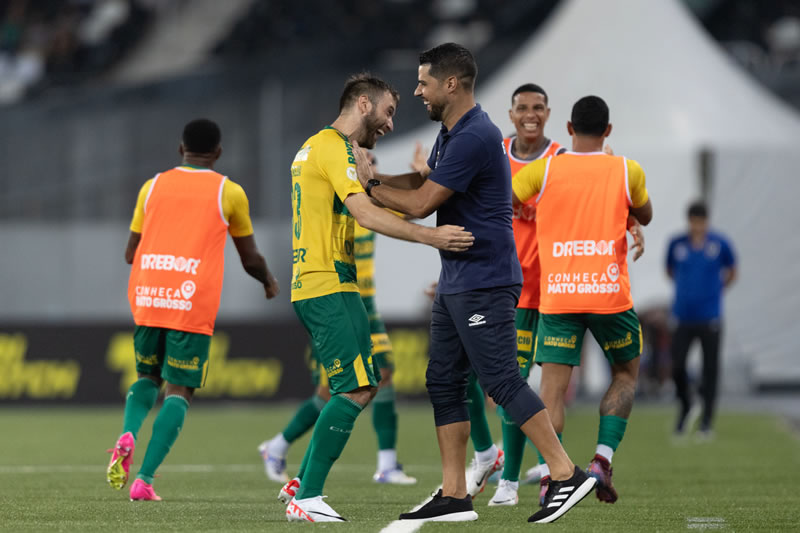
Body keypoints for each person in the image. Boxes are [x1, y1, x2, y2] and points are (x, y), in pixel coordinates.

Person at [354, 43, 595, 525]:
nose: (417, 90)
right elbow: (423, 181)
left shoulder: (474, 135)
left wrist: (365, 187)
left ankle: (566, 473)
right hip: (457, 278)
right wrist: (374, 177)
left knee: (502, 379)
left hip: (483, 278)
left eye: (423, 82)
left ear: (451, 84)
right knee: (442, 382)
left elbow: (422, 203)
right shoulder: (452, 132)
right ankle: (454, 494)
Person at [282, 73, 474, 523]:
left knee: (360, 384)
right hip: (324, 282)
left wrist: (428, 177)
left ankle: (301, 485)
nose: (389, 124)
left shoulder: (329, 149)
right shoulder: (331, 146)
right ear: (363, 104)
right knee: (357, 386)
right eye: (388, 112)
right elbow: (366, 210)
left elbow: (379, 187)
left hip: (337, 282)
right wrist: (431, 238)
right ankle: (307, 496)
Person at [106, 118, 280, 501]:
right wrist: (268, 280)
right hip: (189, 297)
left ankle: (129, 432)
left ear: (179, 149)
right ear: (217, 153)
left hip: (148, 293)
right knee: (179, 390)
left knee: (146, 376)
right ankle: (145, 480)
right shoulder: (229, 191)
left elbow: (130, 253)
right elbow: (249, 257)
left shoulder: (151, 187)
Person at [512, 95, 653, 505]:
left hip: (558, 296)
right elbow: (644, 214)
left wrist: (539, 211)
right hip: (609, 294)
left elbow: (507, 200)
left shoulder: (547, 168)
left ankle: (552, 477)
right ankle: (601, 461)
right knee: (625, 375)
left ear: (569, 130)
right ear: (608, 131)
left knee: (552, 391)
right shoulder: (627, 169)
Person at [258, 152, 416, 486]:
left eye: (371, 160)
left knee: (380, 375)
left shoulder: (370, 201)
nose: (367, 166)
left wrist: (419, 177)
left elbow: (410, 211)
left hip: (364, 302)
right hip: (333, 299)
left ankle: (386, 463)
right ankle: (281, 449)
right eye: (362, 160)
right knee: (333, 392)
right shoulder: (332, 203)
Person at [667, 201, 736, 438]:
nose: (697, 226)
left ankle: (706, 422)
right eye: (693, 221)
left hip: (710, 317)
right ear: (689, 221)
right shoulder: (677, 244)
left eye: (701, 221)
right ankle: (687, 403)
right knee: (676, 366)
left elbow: (732, 270)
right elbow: (669, 270)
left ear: (706, 222)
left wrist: (715, 292)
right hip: (683, 315)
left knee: (710, 369)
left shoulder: (719, 244)